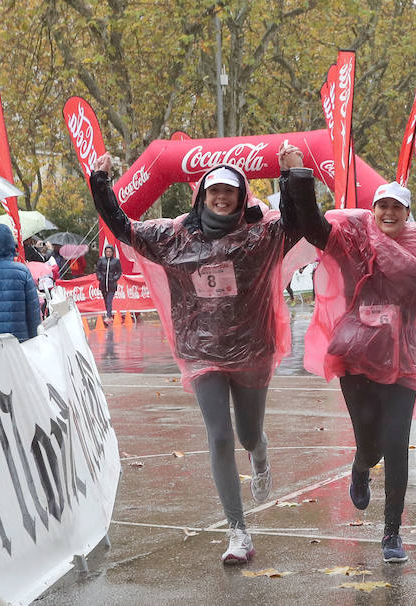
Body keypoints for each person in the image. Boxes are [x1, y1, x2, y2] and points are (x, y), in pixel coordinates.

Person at [89, 151, 306, 565]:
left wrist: (290, 172)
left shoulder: (261, 236)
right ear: (202, 196)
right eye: (214, 191)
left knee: (247, 433)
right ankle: (238, 530)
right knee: (219, 435)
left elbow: (297, 220)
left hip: (250, 349)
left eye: (229, 191)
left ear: (241, 196)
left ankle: (259, 455)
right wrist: (100, 182)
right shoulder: (174, 238)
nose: (221, 197)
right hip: (201, 352)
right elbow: (122, 226)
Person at [278, 142, 416, 564]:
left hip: (402, 358)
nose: (389, 213)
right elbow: (315, 228)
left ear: (407, 213)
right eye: (382, 206)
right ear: (373, 210)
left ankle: (392, 533)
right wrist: (298, 176)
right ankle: (360, 464)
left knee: (396, 444)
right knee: (370, 444)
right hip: (356, 354)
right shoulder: (354, 237)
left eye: (397, 208)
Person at [95, 244, 122, 323]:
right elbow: (97, 270)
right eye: (107, 251)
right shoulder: (101, 260)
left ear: (112, 252)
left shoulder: (116, 261)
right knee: (105, 300)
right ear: (105, 252)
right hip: (103, 284)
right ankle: (108, 313)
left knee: (109, 300)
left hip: (111, 284)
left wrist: (115, 278)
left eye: (110, 251)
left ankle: (109, 316)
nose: (108, 253)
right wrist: (99, 277)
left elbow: (119, 271)